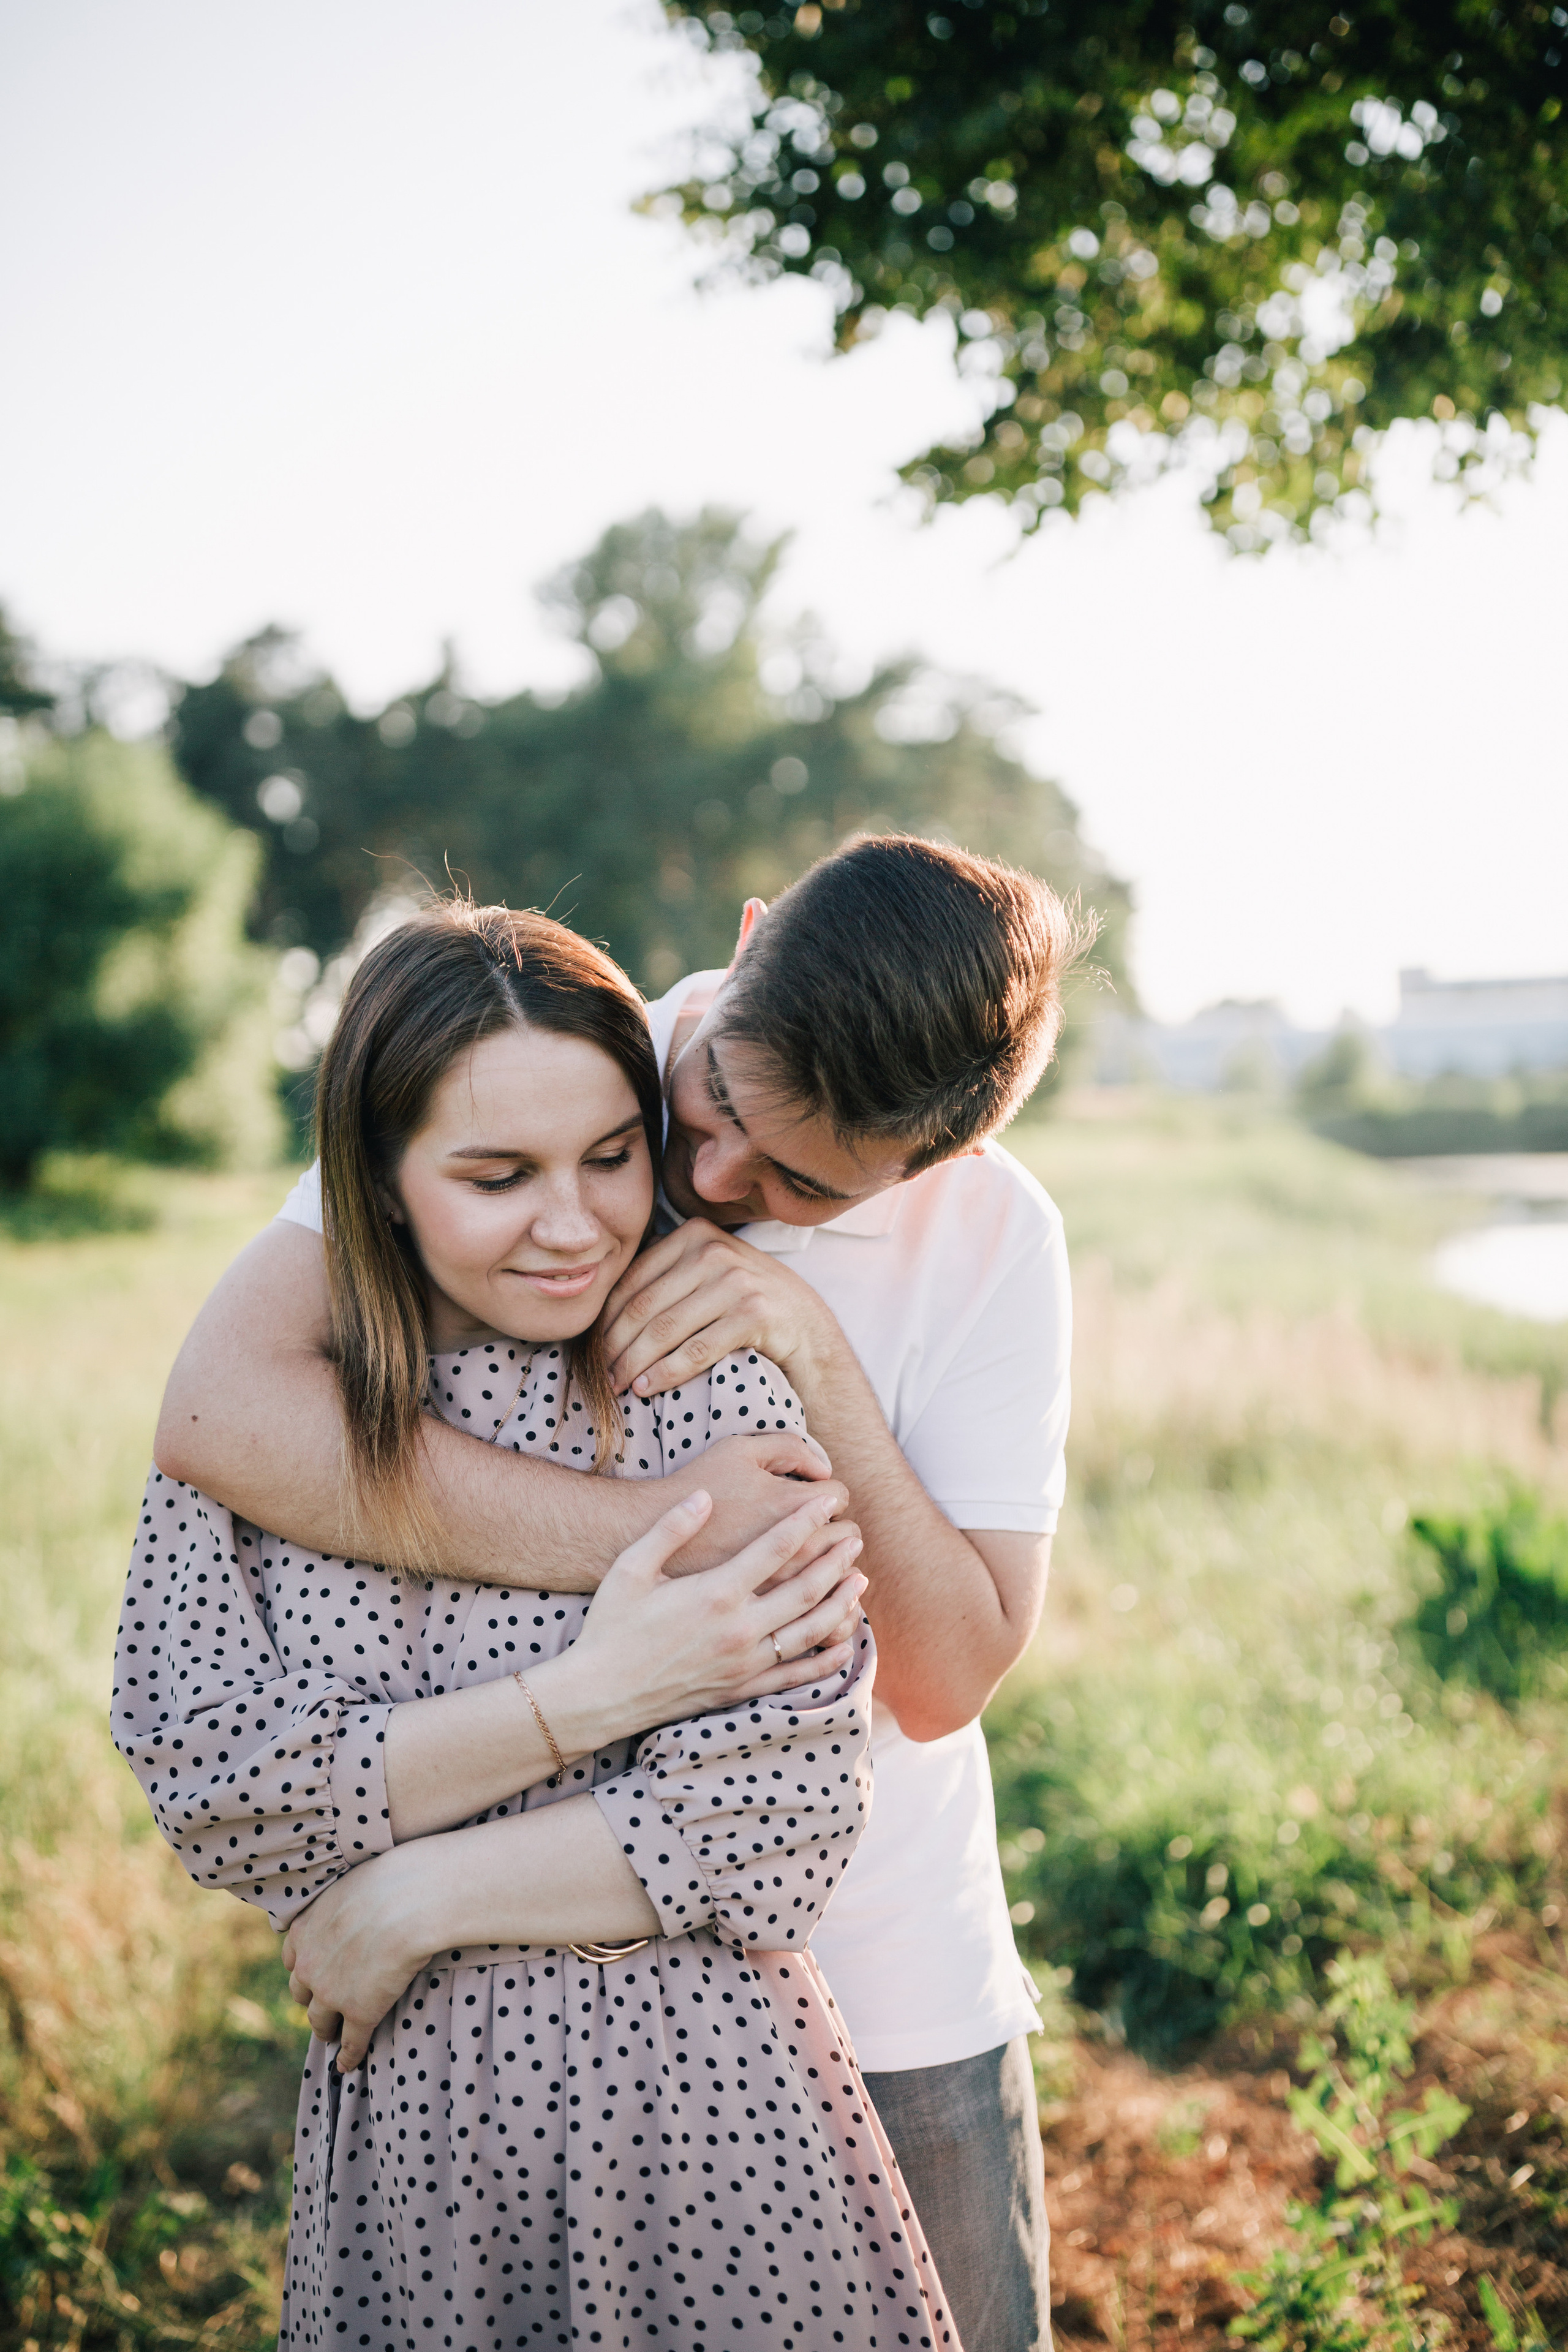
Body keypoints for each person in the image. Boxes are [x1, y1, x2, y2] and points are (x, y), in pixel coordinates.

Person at [156, 835, 1087, 2352]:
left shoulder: (992, 1236)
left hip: (886, 1974)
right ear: (749, 933)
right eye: (712, 1103)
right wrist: (656, 1533)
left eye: (797, 1185)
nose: (709, 1182)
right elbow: (218, 1415)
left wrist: (807, 1349)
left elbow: (945, 1678)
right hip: (522, 2000)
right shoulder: (542, 1067)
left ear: (940, 1163)